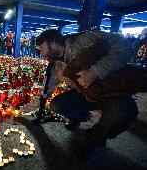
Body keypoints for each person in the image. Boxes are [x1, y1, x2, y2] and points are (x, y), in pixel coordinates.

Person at [34, 28, 140, 160]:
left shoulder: (84, 40)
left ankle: (95, 138)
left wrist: (95, 72)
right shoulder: (55, 66)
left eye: (42, 48)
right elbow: (47, 89)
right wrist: (33, 104)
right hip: (87, 95)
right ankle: (80, 117)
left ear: (54, 43)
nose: (42, 53)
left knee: (122, 114)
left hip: (111, 92)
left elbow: (124, 46)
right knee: (57, 105)